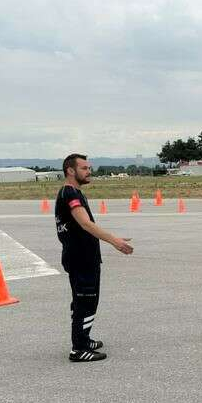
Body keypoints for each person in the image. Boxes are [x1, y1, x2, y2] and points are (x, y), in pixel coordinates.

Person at [55, 154, 134, 362]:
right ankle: (78, 349)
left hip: (82, 256)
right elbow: (85, 224)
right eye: (84, 168)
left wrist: (112, 237)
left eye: (89, 167)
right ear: (71, 170)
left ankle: (84, 337)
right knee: (85, 301)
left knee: (86, 301)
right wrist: (114, 241)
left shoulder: (72, 192)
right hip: (80, 257)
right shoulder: (70, 193)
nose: (89, 171)